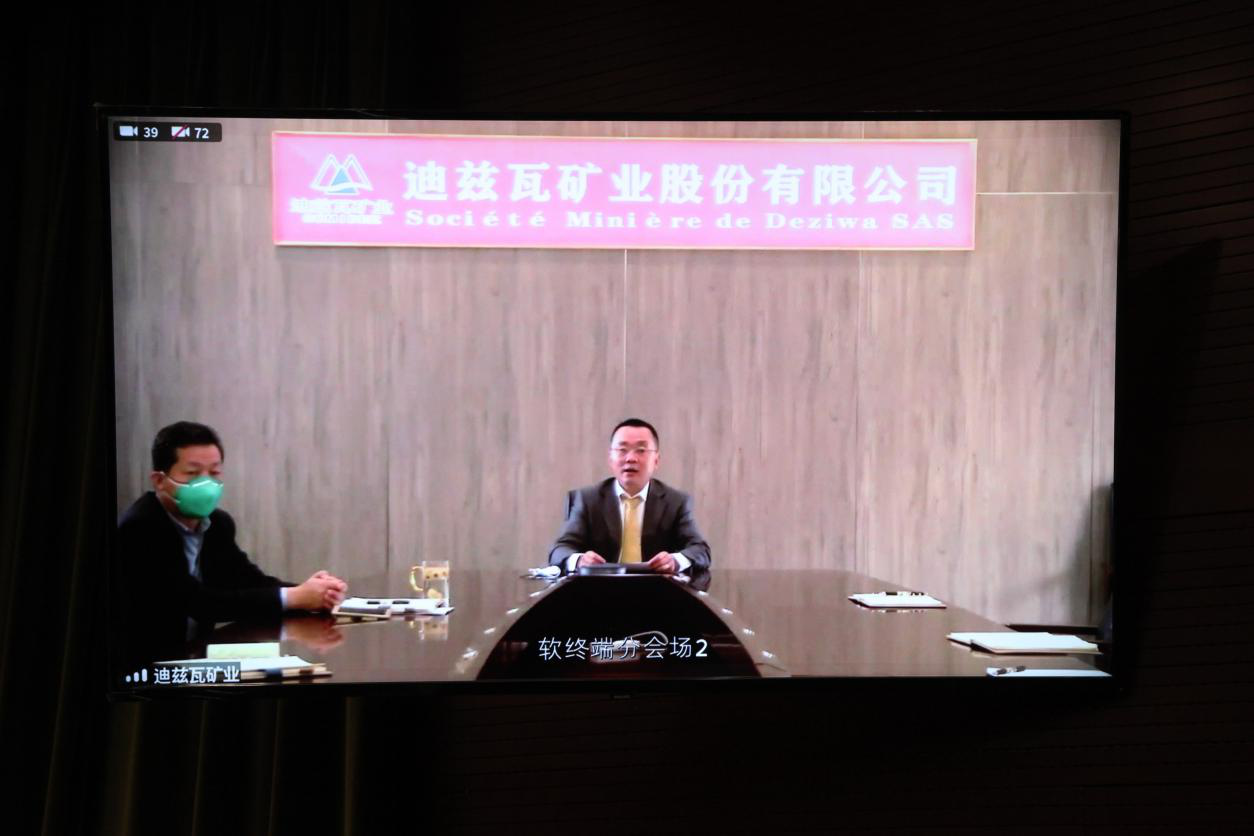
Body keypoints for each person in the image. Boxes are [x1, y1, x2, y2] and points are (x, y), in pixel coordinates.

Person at [114, 421, 348, 661]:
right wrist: (296, 597)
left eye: (214, 473)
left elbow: (248, 580)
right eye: (192, 474)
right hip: (145, 665)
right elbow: (199, 603)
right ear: (159, 480)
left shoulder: (218, 523)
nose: (206, 484)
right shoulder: (140, 527)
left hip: (196, 657)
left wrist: (315, 593)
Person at [548, 418, 711, 575]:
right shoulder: (587, 500)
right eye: (622, 450)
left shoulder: (675, 502)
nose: (631, 458)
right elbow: (560, 550)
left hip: (657, 589)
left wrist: (674, 561)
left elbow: (700, 550)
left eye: (641, 450)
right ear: (610, 459)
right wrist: (579, 560)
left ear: (656, 460)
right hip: (600, 588)